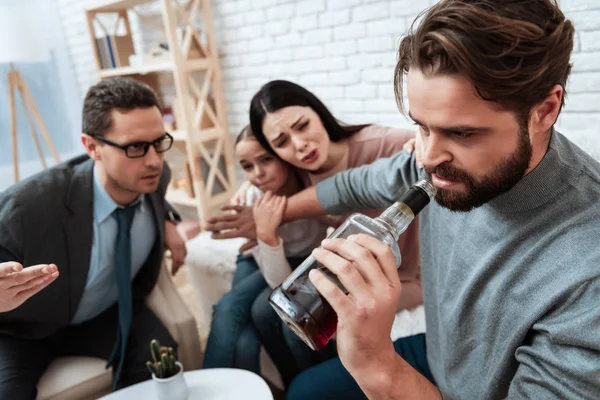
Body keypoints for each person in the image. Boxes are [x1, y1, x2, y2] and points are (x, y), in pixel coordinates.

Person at [274, 1, 600, 398]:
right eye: (421, 127)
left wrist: (376, 365)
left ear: (544, 111)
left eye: (462, 133)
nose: (427, 158)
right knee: (304, 390)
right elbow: (353, 186)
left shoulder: (588, 272)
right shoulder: (435, 163)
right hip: (438, 356)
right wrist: (277, 213)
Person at [205, 80, 418, 383]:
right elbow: (264, 174)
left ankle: (314, 386)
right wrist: (252, 191)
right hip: (356, 262)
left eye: (303, 126)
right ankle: (297, 386)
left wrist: (421, 139)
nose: (299, 144)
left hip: (406, 273)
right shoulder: (298, 170)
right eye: (281, 143)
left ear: (318, 112)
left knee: (299, 322)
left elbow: (431, 144)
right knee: (266, 312)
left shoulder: (381, 145)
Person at [0, 77, 188, 398]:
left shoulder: (154, 176)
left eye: (159, 142)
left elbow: (159, 193)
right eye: (135, 147)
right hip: (20, 330)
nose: (154, 160)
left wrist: (168, 221)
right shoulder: (26, 206)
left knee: (160, 355)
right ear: (91, 147)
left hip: (104, 314)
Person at [202, 125, 328, 377]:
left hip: (294, 259)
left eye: (266, 160)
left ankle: (296, 384)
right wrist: (264, 236)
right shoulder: (252, 197)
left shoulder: (312, 188)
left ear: (282, 154)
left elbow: (280, 284)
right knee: (233, 318)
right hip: (258, 256)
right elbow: (273, 275)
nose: (257, 174)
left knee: (258, 311)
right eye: (247, 166)